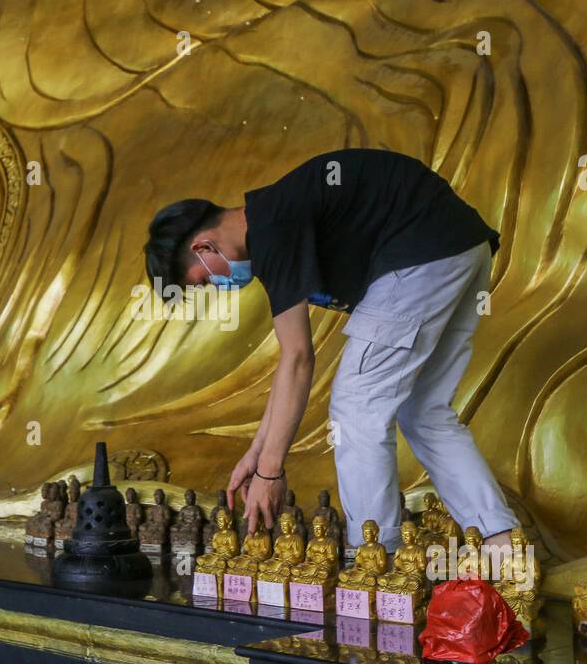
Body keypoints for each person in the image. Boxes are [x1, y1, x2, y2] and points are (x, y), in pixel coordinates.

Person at [143, 148, 515, 553]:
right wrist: (258, 452)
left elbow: (299, 357)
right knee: (423, 411)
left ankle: (374, 558)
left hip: (423, 255)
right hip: (462, 250)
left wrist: (269, 474)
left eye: (202, 281)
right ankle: (503, 544)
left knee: (357, 406)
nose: (215, 287)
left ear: (203, 246)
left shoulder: (270, 226)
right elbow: (291, 365)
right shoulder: (273, 222)